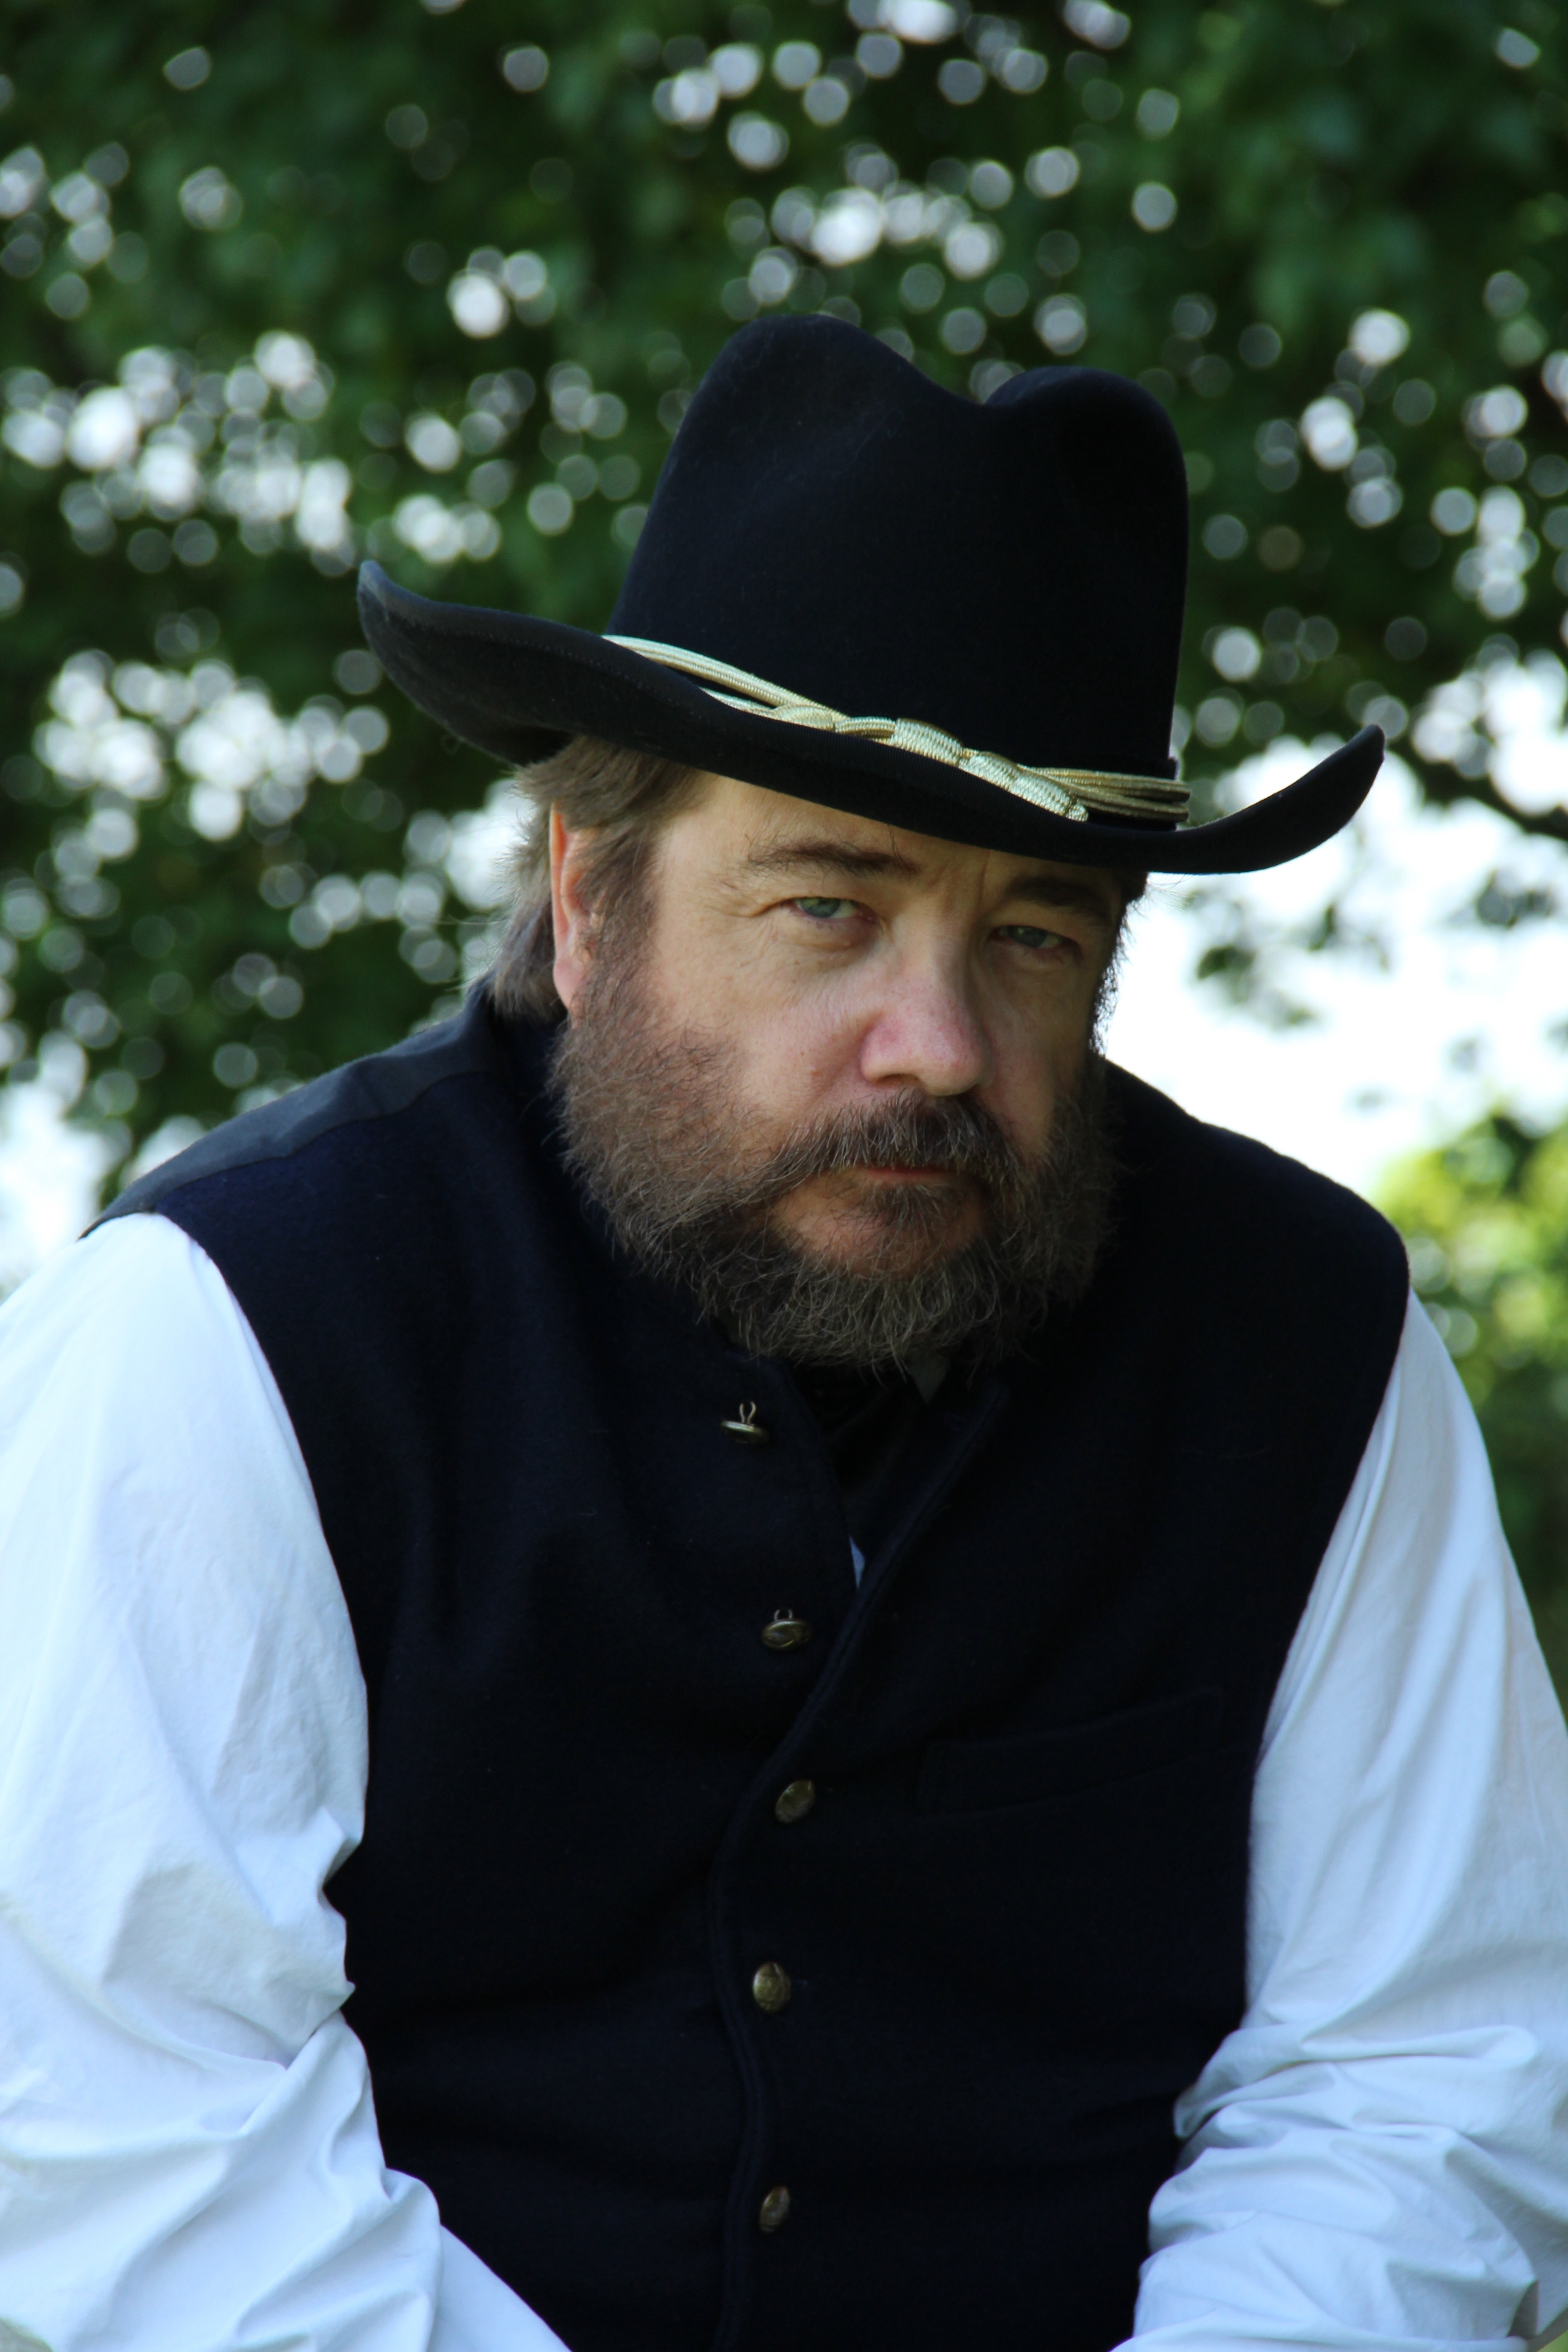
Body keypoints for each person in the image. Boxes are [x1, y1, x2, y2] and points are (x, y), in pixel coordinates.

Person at [1, 317, 1565, 2352]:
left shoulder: (1310, 1350)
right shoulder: (235, 1329)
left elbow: (1424, 2072)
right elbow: (127, 2121)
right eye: (829, 905)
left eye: (1033, 936)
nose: (937, 1046)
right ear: (587, 899)